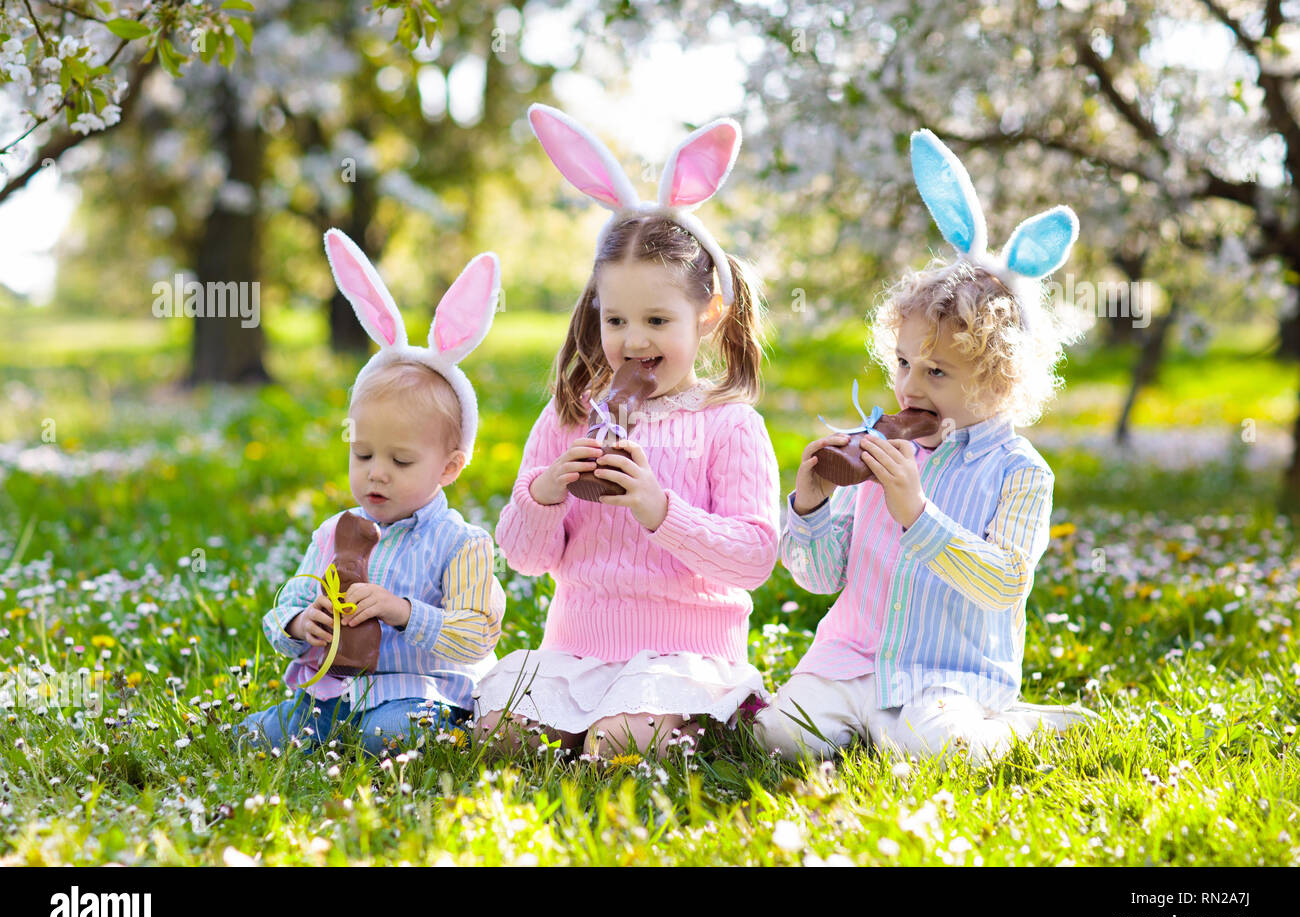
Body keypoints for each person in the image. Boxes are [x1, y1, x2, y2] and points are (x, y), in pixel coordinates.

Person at [757, 130, 1097, 765]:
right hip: (852, 660)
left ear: (1002, 377)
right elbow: (820, 576)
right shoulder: (887, 449)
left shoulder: (1021, 472)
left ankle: (1023, 726)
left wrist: (916, 513)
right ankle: (864, 727)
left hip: (947, 674)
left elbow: (1004, 584)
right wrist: (810, 504)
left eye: (936, 372)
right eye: (904, 362)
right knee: (779, 735)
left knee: (941, 749)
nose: (910, 385)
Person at [474, 104, 779, 759]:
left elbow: (753, 559)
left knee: (616, 749)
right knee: (500, 741)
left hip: (682, 653)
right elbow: (526, 557)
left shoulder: (728, 424)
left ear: (708, 314)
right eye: (616, 321)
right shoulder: (569, 416)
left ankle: (686, 723)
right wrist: (545, 492)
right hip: (577, 647)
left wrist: (657, 508)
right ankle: (576, 722)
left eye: (657, 321)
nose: (633, 341)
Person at [238, 230, 506, 756]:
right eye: (363, 455)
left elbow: (477, 634)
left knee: (390, 735)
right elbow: (292, 593)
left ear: (450, 467)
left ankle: (427, 732)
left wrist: (404, 611)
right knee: (255, 739)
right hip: (335, 691)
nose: (376, 474)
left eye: (401, 461)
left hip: (421, 693)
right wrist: (298, 620)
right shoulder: (337, 530)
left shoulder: (461, 544)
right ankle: (319, 726)